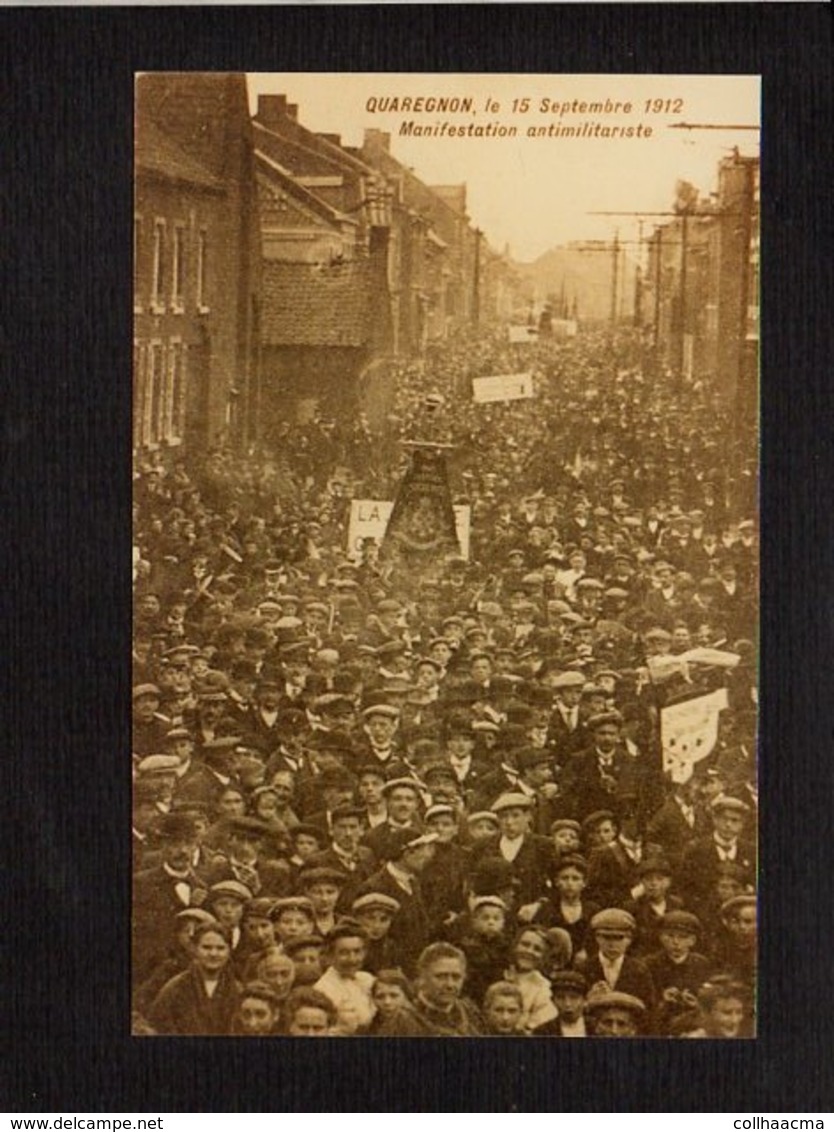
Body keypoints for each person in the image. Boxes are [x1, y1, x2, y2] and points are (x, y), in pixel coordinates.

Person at [146, 922, 241, 1035]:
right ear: (195, 949)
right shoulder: (175, 988)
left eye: (220, 948)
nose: (213, 953)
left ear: (229, 951)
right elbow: (157, 1025)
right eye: (206, 947)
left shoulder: (238, 990)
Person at [376, 942, 484, 1036]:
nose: (450, 984)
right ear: (422, 977)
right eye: (441, 976)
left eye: (456, 977)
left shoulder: (470, 1014)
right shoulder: (402, 1022)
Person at [313, 922, 376, 1035]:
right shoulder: (323, 990)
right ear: (330, 955)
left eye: (357, 951)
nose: (352, 959)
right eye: (344, 953)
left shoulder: (367, 979)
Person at [532, 970, 589, 1038]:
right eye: (561, 998)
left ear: (585, 1000)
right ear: (553, 1000)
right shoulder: (542, 1033)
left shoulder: (598, 1029)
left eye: (574, 998)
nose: (568, 1004)